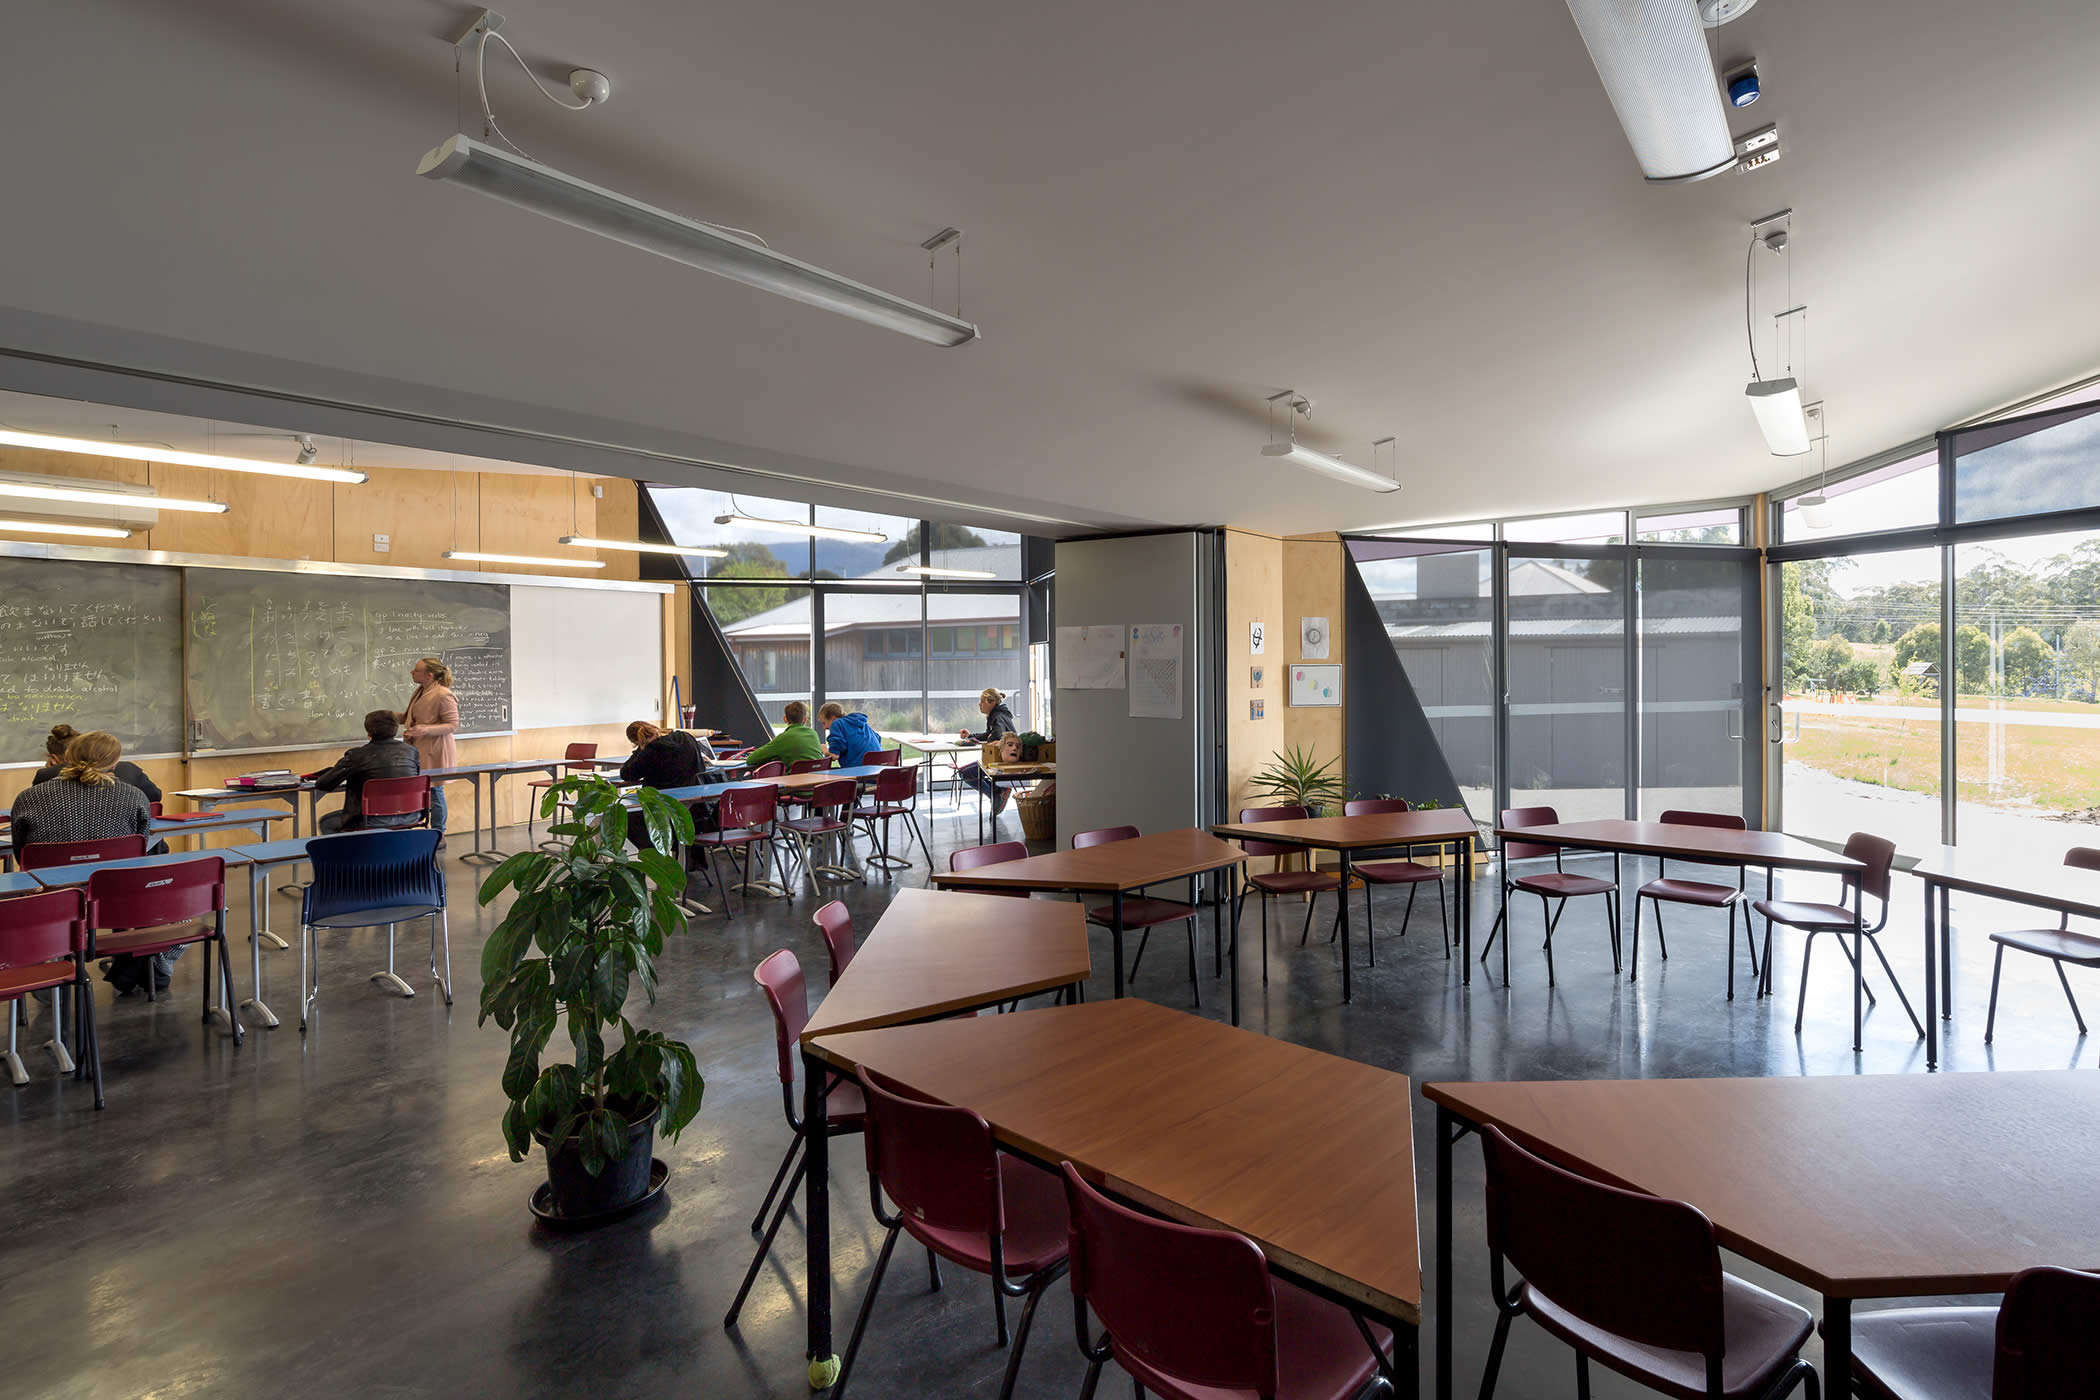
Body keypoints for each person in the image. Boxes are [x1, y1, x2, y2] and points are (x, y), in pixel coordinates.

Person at [10, 730, 164, 994]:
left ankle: (56, 966)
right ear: (115, 764)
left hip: (51, 900)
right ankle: (136, 970)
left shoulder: (29, 797)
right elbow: (141, 849)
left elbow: (22, 855)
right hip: (115, 901)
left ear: (66, 757)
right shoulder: (134, 797)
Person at [310, 711, 423, 833]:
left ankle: (353, 852)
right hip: (410, 815)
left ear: (369, 732)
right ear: (396, 729)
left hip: (370, 819)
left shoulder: (357, 755)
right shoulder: (411, 751)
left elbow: (323, 784)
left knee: (327, 822)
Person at [618, 719, 710, 854]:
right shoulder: (685, 737)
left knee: (627, 818)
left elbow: (626, 773)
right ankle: (677, 850)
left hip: (662, 805)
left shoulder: (651, 751)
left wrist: (640, 750)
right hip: (695, 805)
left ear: (636, 741)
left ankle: (657, 852)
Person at [399, 656, 459, 845]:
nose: (412, 672)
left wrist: (424, 729)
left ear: (429, 675)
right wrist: (395, 717)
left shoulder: (443, 694)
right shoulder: (421, 691)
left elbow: (452, 725)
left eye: (416, 670)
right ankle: (425, 833)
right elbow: (412, 717)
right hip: (418, 749)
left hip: (435, 749)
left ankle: (438, 833)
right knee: (424, 790)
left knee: (435, 790)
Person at [31, 722, 163, 804]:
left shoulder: (44, 779)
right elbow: (155, 798)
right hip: (121, 848)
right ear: (113, 763)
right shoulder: (132, 791)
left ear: (70, 755)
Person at [954, 687, 1019, 816]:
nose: (979, 704)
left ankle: (997, 793)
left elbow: (997, 736)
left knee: (966, 774)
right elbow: (990, 735)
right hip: (999, 757)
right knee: (965, 772)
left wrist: (990, 739)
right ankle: (998, 792)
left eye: (982, 701)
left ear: (992, 702)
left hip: (1000, 760)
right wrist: (970, 736)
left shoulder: (998, 716)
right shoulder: (996, 714)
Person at [741, 700, 826, 769]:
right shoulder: (814, 734)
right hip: (815, 786)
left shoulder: (783, 738)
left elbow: (751, 760)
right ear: (804, 720)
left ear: (785, 719)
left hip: (793, 787)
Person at [817, 702, 884, 767]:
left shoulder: (836, 723)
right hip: (878, 769)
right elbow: (878, 739)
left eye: (824, 723)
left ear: (832, 717)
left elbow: (834, 756)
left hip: (859, 771)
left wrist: (824, 750)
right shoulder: (862, 723)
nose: (824, 727)